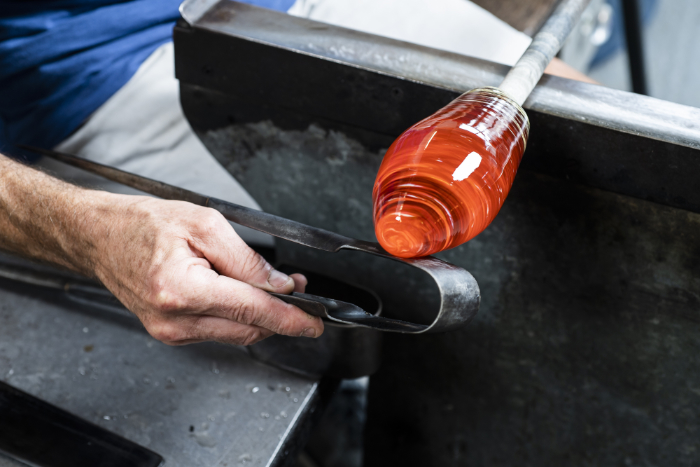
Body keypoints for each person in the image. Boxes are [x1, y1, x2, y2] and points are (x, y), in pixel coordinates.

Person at [0, 0, 592, 347]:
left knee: (601, 129)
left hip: (276, 6)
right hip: (84, 72)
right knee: (376, 277)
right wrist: (83, 228)